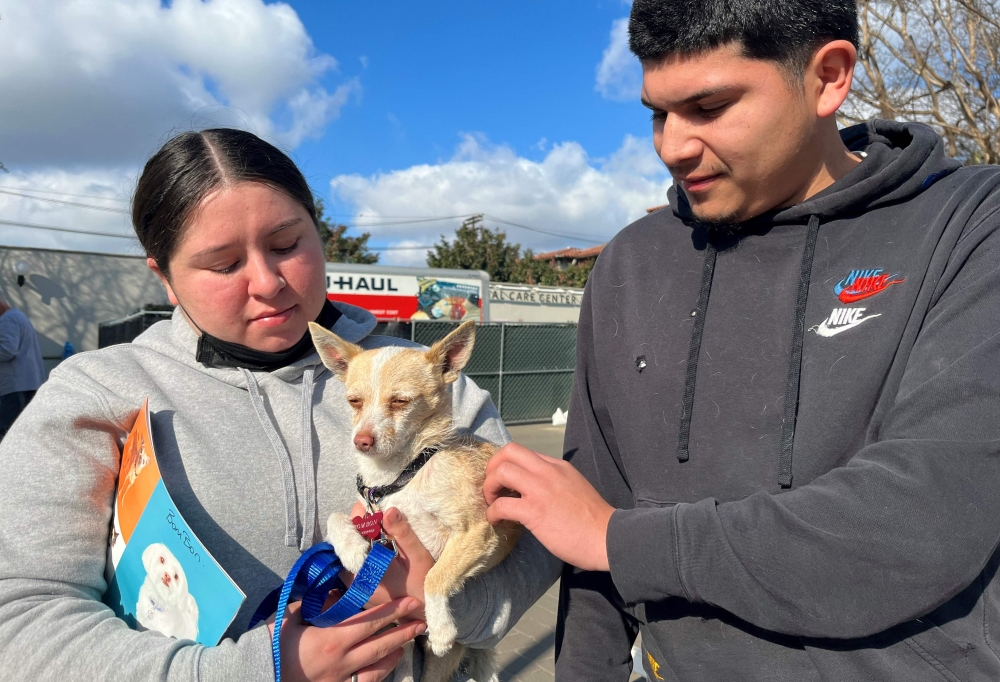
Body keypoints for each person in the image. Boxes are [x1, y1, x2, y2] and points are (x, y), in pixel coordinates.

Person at [483, 1, 1000, 680]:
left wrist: (619, 539)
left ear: (829, 77)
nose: (672, 145)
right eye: (657, 114)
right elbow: (591, 508)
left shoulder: (968, 225)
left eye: (709, 106)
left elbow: (920, 520)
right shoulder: (632, 264)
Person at [0, 129, 559, 681]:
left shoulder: (433, 382)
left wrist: (447, 604)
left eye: (287, 245)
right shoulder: (95, 393)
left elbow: (532, 541)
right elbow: (21, 619)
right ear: (164, 276)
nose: (267, 282)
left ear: (319, 233)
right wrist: (263, 669)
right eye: (223, 264)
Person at [0, 295, 45, 438]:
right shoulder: (18, 316)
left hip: (15, 386)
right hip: (26, 384)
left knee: (11, 432)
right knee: (23, 432)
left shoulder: (7, 320)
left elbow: (7, 351)